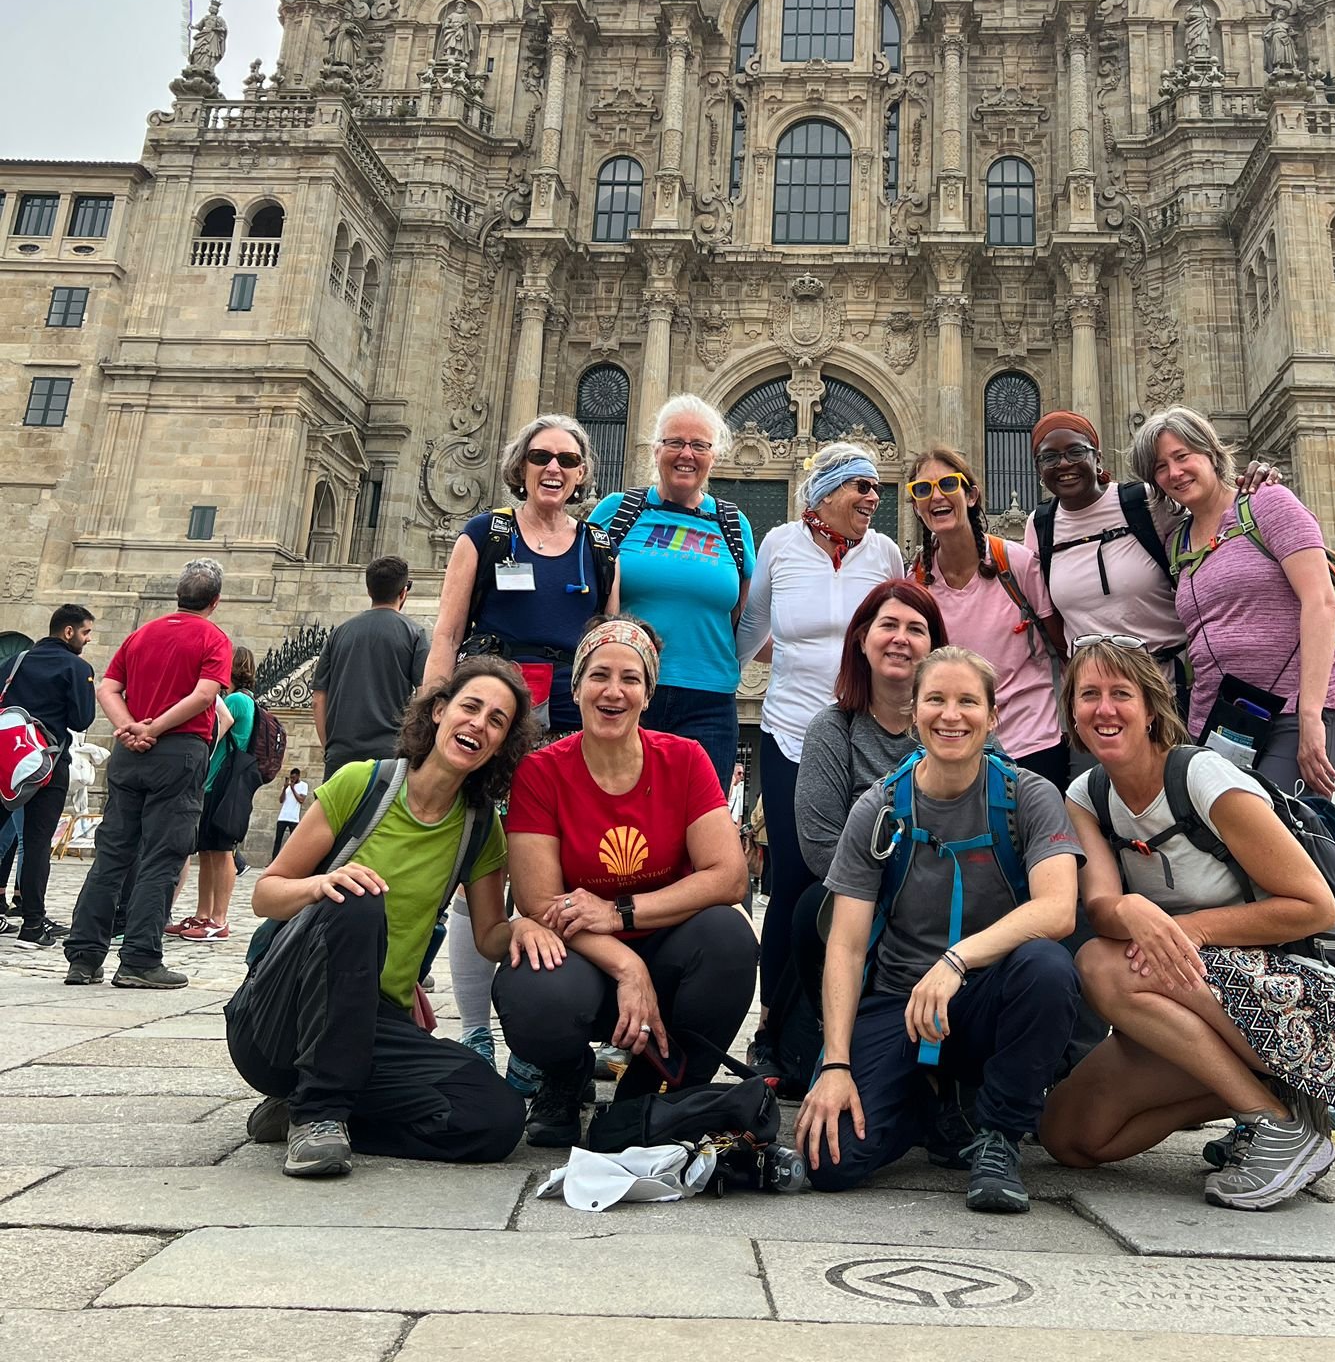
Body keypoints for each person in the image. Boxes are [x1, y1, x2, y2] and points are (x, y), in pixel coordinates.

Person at [1041, 640, 1335, 1208]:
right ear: (1072, 711)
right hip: (1188, 990)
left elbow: (1315, 906)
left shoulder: (1202, 776)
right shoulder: (1087, 794)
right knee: (1067, 1137)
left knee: (1099, 963)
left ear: (1151, 707)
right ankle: (1276, 1098)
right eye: (1089, 695)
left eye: (1122, 694)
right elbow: (1099, 905)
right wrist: (1128, 909)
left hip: (1296, 999)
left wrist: (1193, 928)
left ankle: (1272, 1124)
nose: (1105, 709)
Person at [796, 647, 1082, 1212]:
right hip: (900, 1001)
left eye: (968, 701)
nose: (952, 715)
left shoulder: (1028, 795)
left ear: (993, 716)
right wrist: (835, 1064)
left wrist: (955, 963)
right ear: (913, 713)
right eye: (936, 700)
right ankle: (933, 1108)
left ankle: (997, 1136)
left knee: (1049, 968)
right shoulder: (878, 808)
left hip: (986, 1002)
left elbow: (1057, 911)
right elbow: (848, 946)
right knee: (829, 1162)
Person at [228, 657, 537, 1178]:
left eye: (497, 721)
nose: (479, 725)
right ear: (439, 711)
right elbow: (267, 893)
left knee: (497, 1119)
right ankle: (318, 1113)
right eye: (470, 707)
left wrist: (526, 924)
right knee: (358, 896)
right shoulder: (362, 783)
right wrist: (321, 885)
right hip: (280, 1019)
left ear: (503, 745)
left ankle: (319, 1109)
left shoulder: (480, 829)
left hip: (376, 1024)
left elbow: (488, 937)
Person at [497, 617, 758, 1147]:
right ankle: (564, 1078)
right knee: (534, 987)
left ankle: (655, 1093)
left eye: (630, 679)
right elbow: (540, 901)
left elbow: (728, 876)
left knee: (729, 938)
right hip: (584, 957)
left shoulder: (684, 760)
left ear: (648, 693)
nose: (613, 691)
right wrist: (626, 961)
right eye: (598, 675)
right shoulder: (541, 772)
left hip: (669, 950)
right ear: (577, 687)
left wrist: (621, 913)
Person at [737, 440, 905, 1050]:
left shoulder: (884, 551)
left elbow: (905, 633)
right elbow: (752, 628)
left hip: (861, 737)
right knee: (791, 879)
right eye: (862, 487)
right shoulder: (779, 544)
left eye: (876, 488)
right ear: (827, 493)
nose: (873, 497)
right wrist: (722, 683)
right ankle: (774, 1028)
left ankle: (852, 1019)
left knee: (862, 876)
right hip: (786, 732)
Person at [1129, 406, 1335, 797]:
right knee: (1224, 842)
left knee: (1282, 833)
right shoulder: (1177, 541)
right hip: (1221, 719)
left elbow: (1321, 602)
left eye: (1183, 456)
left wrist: (1312, 715)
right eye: (1161, 467)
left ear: (1211, 453)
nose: (1174, 473)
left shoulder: (1267, 504)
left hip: (1293, 709)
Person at [1022, 410, 1280, 704]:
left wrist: (1250, 487)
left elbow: (1213, 518)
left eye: (1076, 451)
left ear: (1098, 457)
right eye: (1049, 458)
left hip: (1169, 689)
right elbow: (1043, 612)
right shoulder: (1040, 525)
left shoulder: (1145, 503)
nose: (1064, 463)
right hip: (1096, 698)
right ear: (1039, 470)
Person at [64, 560, 233, 990]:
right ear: (214, 601)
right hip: (178, 752)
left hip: (129, 754)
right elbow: (205, 694)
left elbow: (107, 686)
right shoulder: (213, 638)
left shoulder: (142, 634)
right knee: (163, 855)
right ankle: (140, 957)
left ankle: (84, 956)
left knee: (113, 852)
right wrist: (155, 728)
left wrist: (128, 727)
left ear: (178, 595)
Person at [788, 579, 946, 1016]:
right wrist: (903, 896)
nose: (901, 639)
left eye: (916, 629)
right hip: (865, 898)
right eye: (888, 625)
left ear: (934, 647)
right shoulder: (832, 730)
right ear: (862, 639)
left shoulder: (956, 723)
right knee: (810, 910)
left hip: (955, 894)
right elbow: (821, 847)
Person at [589, 395, 755, 792]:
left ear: (714, 456)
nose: (687, 454)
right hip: (625, 691)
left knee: (696, 828)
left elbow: (740, 613)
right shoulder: (618, 511)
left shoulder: (733, 524)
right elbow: (585, 595)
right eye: (675, 442)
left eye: (699, 445)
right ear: (656, 449)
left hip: (708, 700)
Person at [424, 415, 617, 737]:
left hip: (573, 721)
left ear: (580, 474)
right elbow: (448, 635)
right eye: (540, 457)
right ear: (520, 467)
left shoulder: (600, 546)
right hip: (491, 713)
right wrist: (432, 710)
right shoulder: (485, 533)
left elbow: (608, 647)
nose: (553, 468)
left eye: (567, 460)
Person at [907, 445, 1068, 788]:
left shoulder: (1015, 563)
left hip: (1032, 740)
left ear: (971, 495)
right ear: (916, 507)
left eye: (948, 484)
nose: (936, 496)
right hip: (959, 744)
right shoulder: (917, 583)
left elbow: (1060, 642)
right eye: (922, 490)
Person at [0, 604, 97, 946]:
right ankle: (32, 925)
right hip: (46, 763)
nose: (87, 639)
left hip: (5, 759)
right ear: (68, 632)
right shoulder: (77, 666)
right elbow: (81, 720)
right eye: (85, 632)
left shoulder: (17, 661)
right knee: (37, 844)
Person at [169, 647, 259, 942]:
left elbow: (216, 730)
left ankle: (218, 918)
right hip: (214, 782)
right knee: (207, 851)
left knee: (221, 851)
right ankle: (203, 914)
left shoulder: (236, 700)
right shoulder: (242, 699)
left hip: (223, 781)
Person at [312, 556, 429, 778]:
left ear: (369, 590)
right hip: (389, 753)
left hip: (340, 752)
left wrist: (329, 747)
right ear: (403, 592)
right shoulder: (415, 634)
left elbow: (318, 698)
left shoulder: (338, 634)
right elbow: (425, 694)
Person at [272, 768, 309, 859]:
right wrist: (285, 788)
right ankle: (273, 861)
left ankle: (293, 860)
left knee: (294, 841)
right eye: (291, 777)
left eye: (294, 777)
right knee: (278, 840)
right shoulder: (287, 786)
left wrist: (292, 788)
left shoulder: (303, 785)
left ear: (298, 776)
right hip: (282, 817)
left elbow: (301, 800)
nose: (292, 779)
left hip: (294, 819)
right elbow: (281, 800)